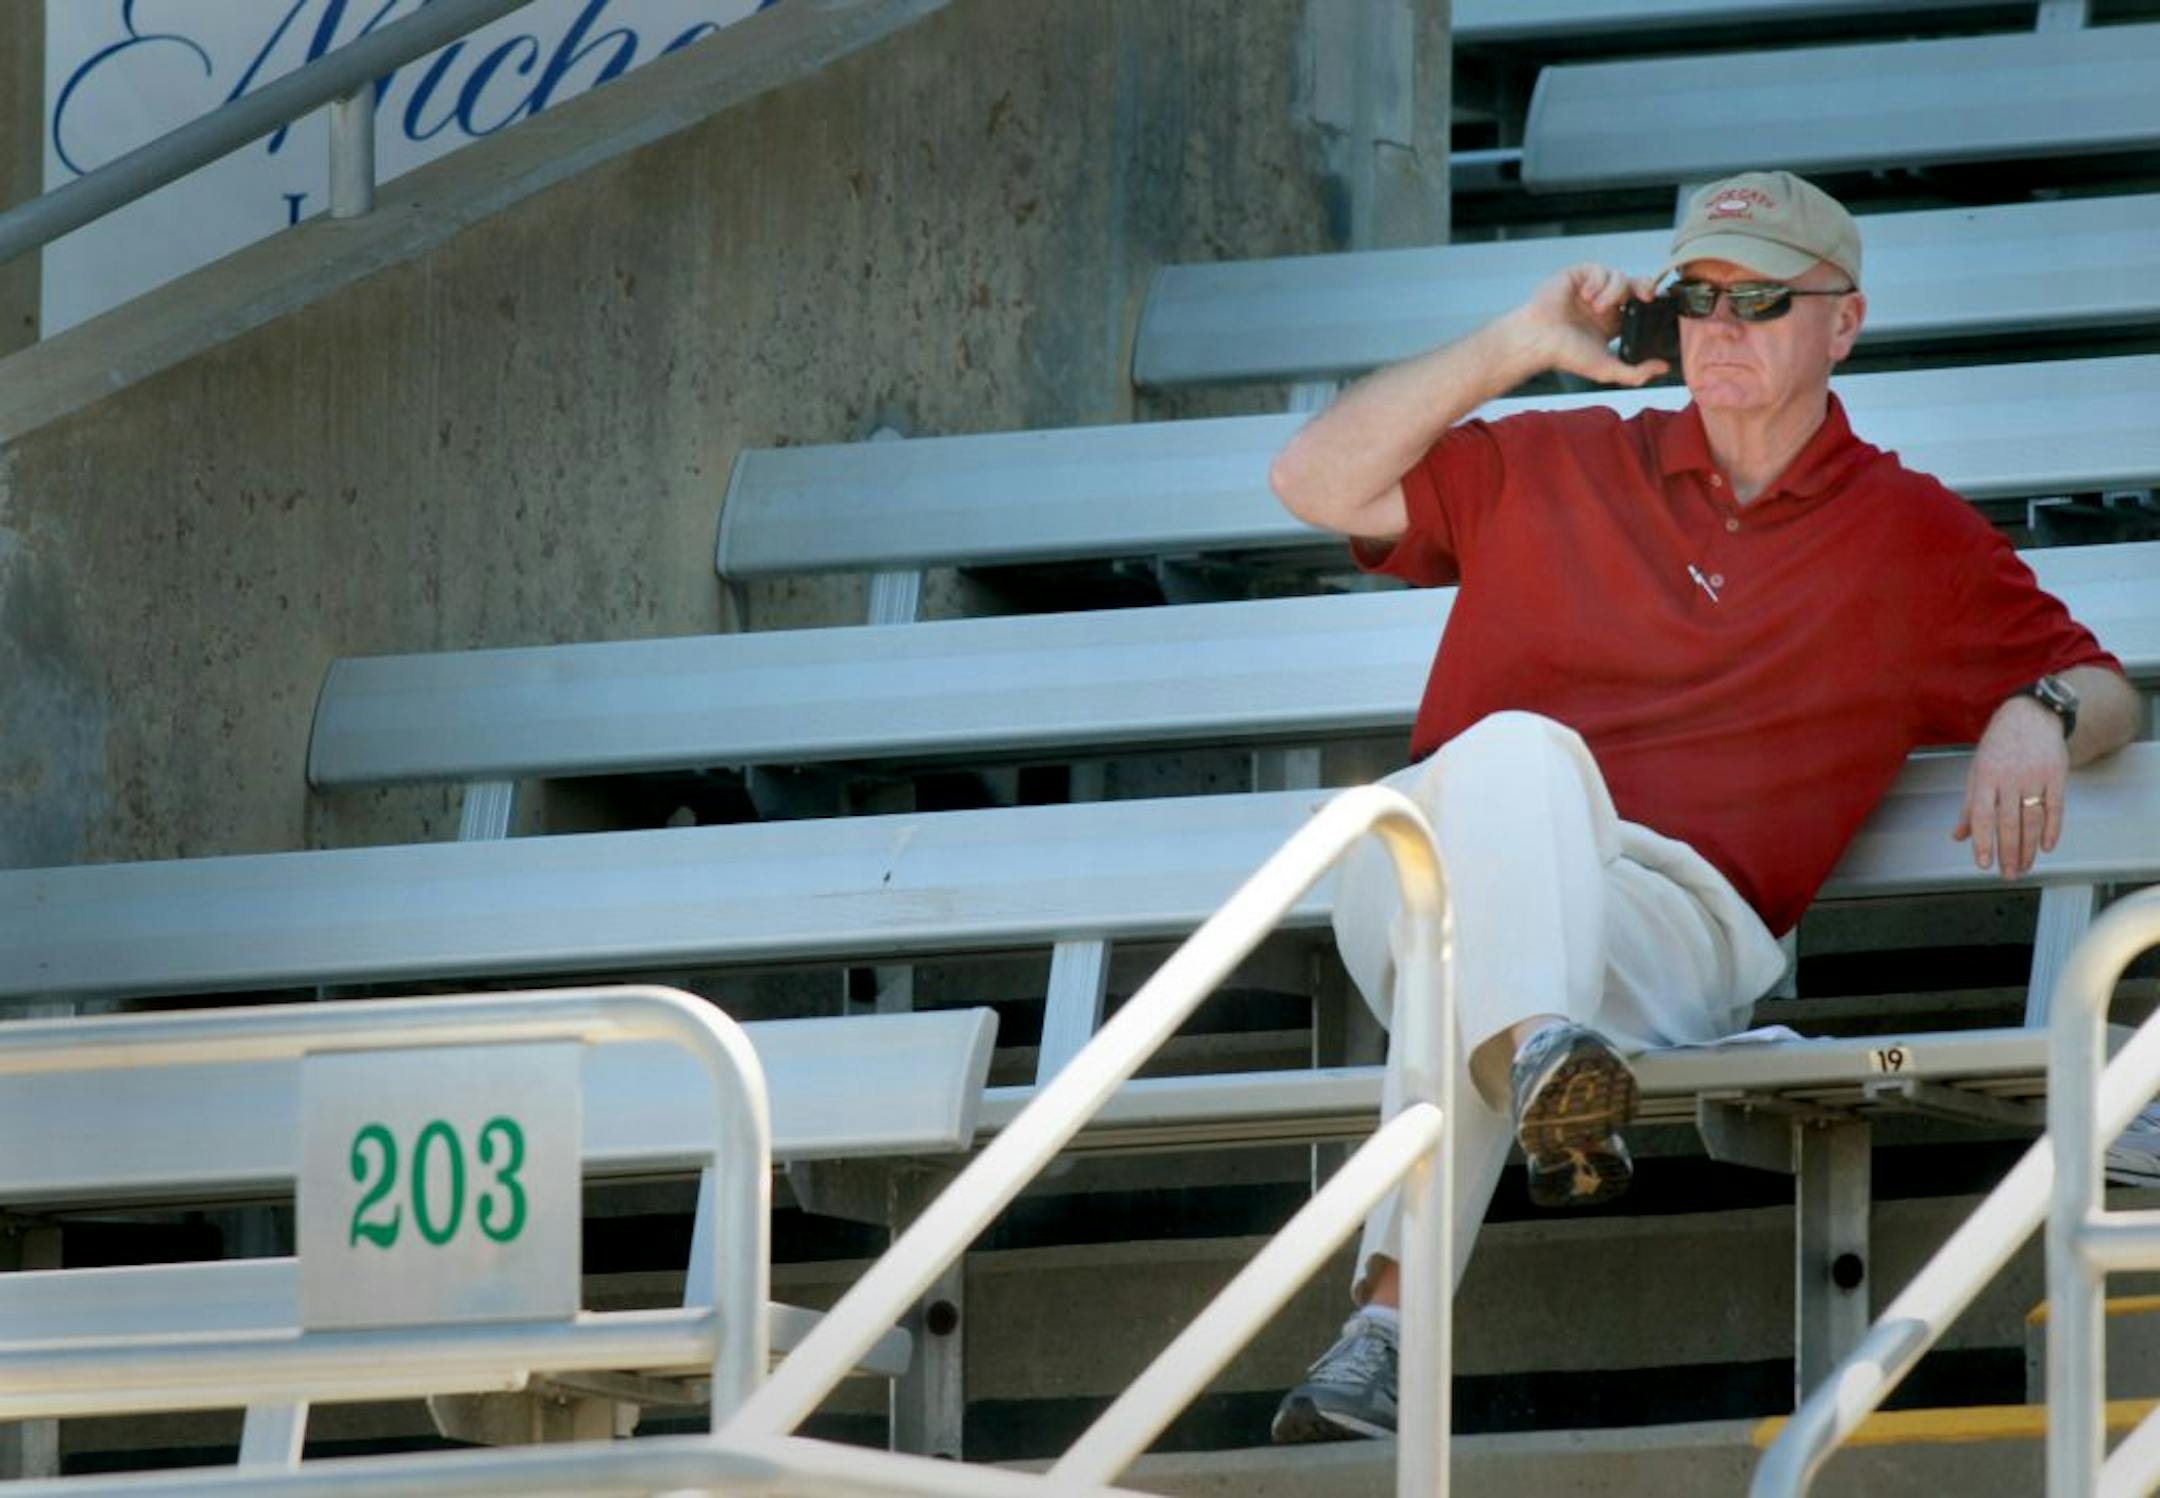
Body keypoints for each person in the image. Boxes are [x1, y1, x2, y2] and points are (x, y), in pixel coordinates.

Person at [1263, 170, 2142, 1444]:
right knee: (1508, 764)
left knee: (1484, 895)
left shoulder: (1910, 537)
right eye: (1696, 298)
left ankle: (1392, 1327)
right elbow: (1310, 480)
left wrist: (2034, 710)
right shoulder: (1553, 457)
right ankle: (1540, 1058)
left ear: (1843, 322)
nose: (1720, 325)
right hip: (1434, 870)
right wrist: (1519, 342)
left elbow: (2104, 688)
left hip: (1661, 932)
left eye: (1762, 298)